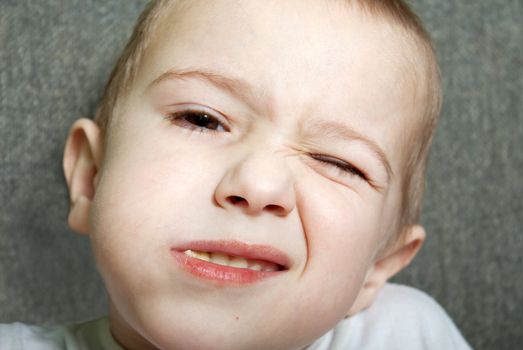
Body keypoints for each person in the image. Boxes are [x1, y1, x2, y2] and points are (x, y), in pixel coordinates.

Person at [0, 0, 472, 349]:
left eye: (338, 162)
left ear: (379, 265)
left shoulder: (407, 334)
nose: (259, 185)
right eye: (201, 119)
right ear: (90, 177)